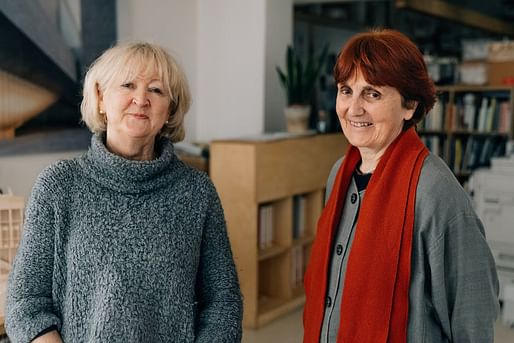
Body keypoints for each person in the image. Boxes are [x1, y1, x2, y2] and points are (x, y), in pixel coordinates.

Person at [6, 42, 243, 342]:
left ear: (170, 109)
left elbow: (223, 304)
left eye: (156, 90)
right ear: (101, 98)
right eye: (128, 85)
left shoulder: (197, 192)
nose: (141, 99)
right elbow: (26, 304)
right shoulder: (58, 186)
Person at [303, 29, 499, 343]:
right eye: (346, 90)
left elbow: (471, 316)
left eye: (373, 94)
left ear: (409, 105)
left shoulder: (435, 190)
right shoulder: (339, 174)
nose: (353, 108)